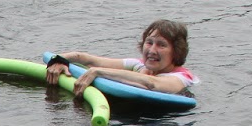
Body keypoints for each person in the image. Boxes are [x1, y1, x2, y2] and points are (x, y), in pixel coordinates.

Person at [44, 19, 196, 96]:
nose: (152, 50)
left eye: (161, 45)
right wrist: (59, 60)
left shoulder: (182, 78)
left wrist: (98, 72)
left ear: (176, 52)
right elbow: (88, 59)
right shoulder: (138, 65)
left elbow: (152, 84)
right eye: (149, 42)